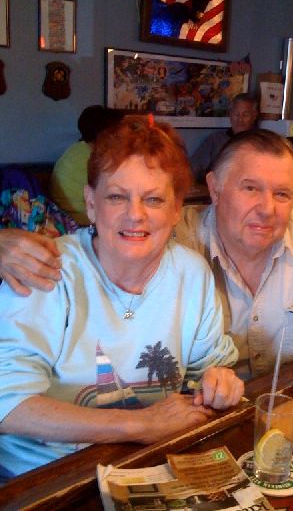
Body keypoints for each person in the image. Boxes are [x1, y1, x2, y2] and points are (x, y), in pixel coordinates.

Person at [0, 130, 293, 379]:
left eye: (282, 194)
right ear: (215, 189)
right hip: (202, 412)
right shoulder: (169, 239)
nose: (267, 208)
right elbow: (95, 246)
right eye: (250, 188)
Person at [0, 116, 243, 481]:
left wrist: (219, 381)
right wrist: (140, 425)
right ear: (91, 203)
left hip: (146, 462)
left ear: (176, 209)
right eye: (117, 196)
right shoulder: (46, 269)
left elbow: (208, 367)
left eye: (154, 199)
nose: (135, 215)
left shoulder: (191, 273)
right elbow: (7, 405)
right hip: (43, 476)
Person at [49, 105, 124, 226]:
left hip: (65, 216)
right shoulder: (92, 157)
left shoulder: (78, 150)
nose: (121, 138)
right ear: (105, 134)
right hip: (77, 220)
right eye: (118, 132)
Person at [189, 93, 259, 184]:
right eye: (236, 114)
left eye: (245, 115)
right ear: (230, 115)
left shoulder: (261, 143)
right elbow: (193, 167)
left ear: (254, 116)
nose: (240, 119)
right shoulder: (216, 139)